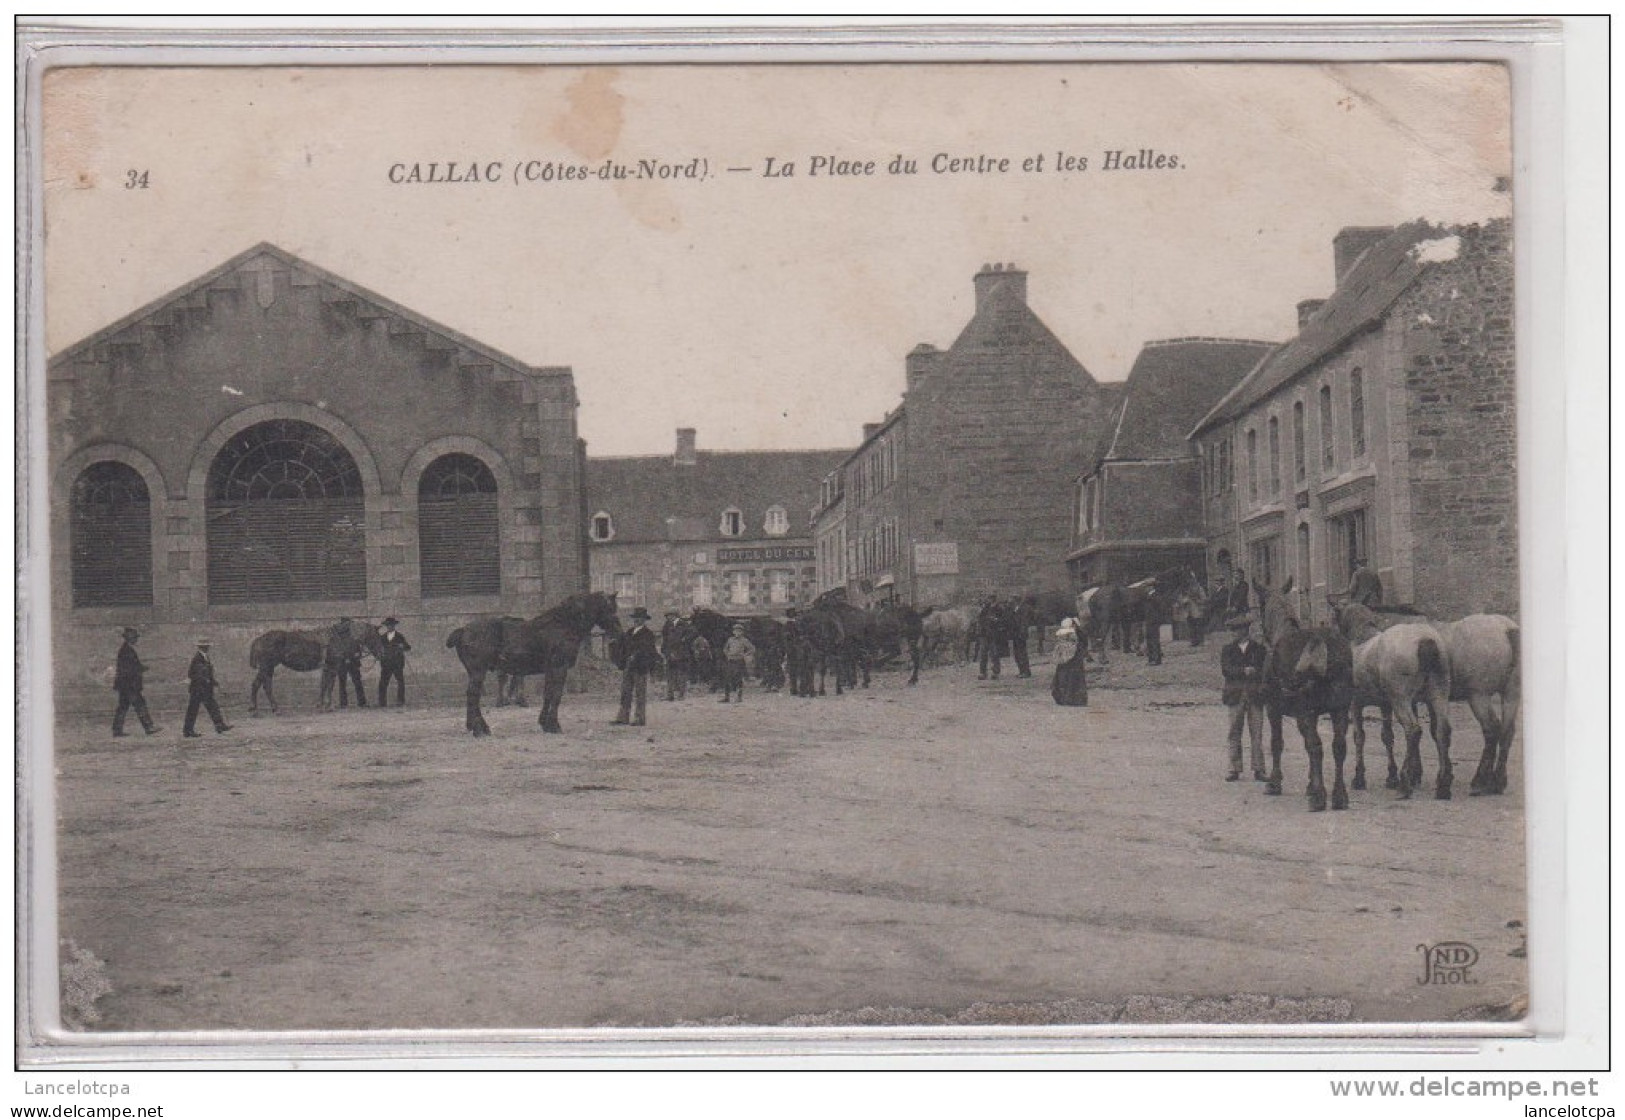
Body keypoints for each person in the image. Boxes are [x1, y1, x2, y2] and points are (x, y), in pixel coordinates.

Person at [1220, 612, 1268, 782]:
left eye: (1236, 630)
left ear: (1245, 630)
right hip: (1235, 695)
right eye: (1232, 630)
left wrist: (1255, 673)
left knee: (1257, 733)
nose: (1233, 633)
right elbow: (1226, 670)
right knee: (1234, 731)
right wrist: (1243, 671)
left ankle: (1259, 768)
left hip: (1255, 696)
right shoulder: (1228, 650)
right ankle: (1234, 768)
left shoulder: (1259, 649)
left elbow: (1264, 671)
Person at [612, 607, 660, 726]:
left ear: (644, 620)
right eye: (636, 618)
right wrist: (622, 660)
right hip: (628, 666)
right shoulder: (629, 632)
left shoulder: (648, 634)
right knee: (625, 692)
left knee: (640, 692)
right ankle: (623, 717)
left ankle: (640, 718)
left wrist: (640, 658)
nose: (638, 620)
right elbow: (622, 648)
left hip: (640, 667)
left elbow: (649, 651)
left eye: (640, 618)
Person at [111, 627, 160, 737]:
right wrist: (140, 668)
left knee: (123, 706)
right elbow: (129, 669)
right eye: (134, 638)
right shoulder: (126, 651)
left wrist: (140, 667)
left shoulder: (126, 649)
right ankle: (149, 727)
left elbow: (130, 667)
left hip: (124, 685)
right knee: (140, 704)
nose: (136, 640)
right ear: (130, 638)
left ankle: (117, 730)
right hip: (129, 685)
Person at [183, 639, 232, 738]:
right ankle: (188, 731)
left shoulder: (205, 657)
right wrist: (207, 680)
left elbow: (208, 672)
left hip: (204, 688)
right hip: (198, 688)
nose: (208, 648)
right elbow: (198, 673)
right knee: (193, 710)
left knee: (212, 706)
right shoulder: (198, 658)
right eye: (206, 646)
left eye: (207, 646)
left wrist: (213, 681)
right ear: (202, 647)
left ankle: (219, 725)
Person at [1050, 617, 1089, 707]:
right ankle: (1071, 698)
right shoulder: (1078, 633)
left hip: (1069, 657)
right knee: (1070, 677)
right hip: (1072, 657)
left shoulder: (1075, 633)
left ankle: (1065, 697)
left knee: (1065, 677)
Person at [332, 618, 368, 709]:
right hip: (342, 664)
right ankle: (343, 703)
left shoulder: (354, 639)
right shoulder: (338, 641)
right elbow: (336, 653)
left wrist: (356, 655)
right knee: (342, 684)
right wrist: (344, 658)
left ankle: (362, 702)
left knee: (357, 682)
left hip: (354, 664)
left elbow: (359, 652)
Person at [375, 617, 410, 707]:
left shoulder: (399, 636)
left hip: (397, 663)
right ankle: (382, 702)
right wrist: (379, 654)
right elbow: (378, 649)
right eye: (388, 625)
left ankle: (400, 701)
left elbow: (408, 647)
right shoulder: (382, 638)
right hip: (386, 663)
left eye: (391, 625)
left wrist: (403, 646)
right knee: (383, 683)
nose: (390, 627)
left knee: (400, 682)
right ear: (386, 626)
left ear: (394, 626)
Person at [720, 623, 756, 703]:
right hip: (730, 660)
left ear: (742, 632)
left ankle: (739, 697)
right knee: (727, 678)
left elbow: (752, 649)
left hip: (739, 661)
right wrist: (727, 654)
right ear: (733, 632)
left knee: (738, 678)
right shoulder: (730, 640)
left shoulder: (744, 640)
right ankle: (727, 697)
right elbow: (725, 648)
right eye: (736, 630)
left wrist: (745, 655)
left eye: (739, 631)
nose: (737, 632)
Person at [977, 597, 1010, 680]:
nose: (988, 600)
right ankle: (983, 672)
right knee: (983, 654)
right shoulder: (985, 608)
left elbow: (1004, 620)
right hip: (984, 634)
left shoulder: (999, 608)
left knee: (994, 654)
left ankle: (995, 672)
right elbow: (980, 619)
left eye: (990, 599)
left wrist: (996, 620)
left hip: (994, 634)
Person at [660, 612, 692, 701]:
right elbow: (664, 638)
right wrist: (664, 650)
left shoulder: (684, 624)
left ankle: (681, 694)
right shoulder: (667, 625)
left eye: (669, 616)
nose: (668, 617)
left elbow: (692, 633)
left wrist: (684, 639)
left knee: (681, 674)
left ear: (675, 615)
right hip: (670, 653)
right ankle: (670, 695)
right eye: (667, 616)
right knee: (670, 675)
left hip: (681, 653)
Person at [1010, 595, 1036, 678]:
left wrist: (1022, 632)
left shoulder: (1024, 608)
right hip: (1015, 633)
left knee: (1022, 653)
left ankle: (1026, 671)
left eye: (1012, 599)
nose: (1011, 601)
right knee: (1017, 653)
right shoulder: (1015, 608)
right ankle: (1021, 671)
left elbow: (1024, 622)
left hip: (1020, 633)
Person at [1142, 585, 1166, 666]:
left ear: (1150, 587)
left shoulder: (1155, 596)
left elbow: (1161, 607)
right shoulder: (1148, 596)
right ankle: (1151, 658)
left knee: (1154, 640)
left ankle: (1156, 659)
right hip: (1150, 621)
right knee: (1150, 640)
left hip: (1154, 621)